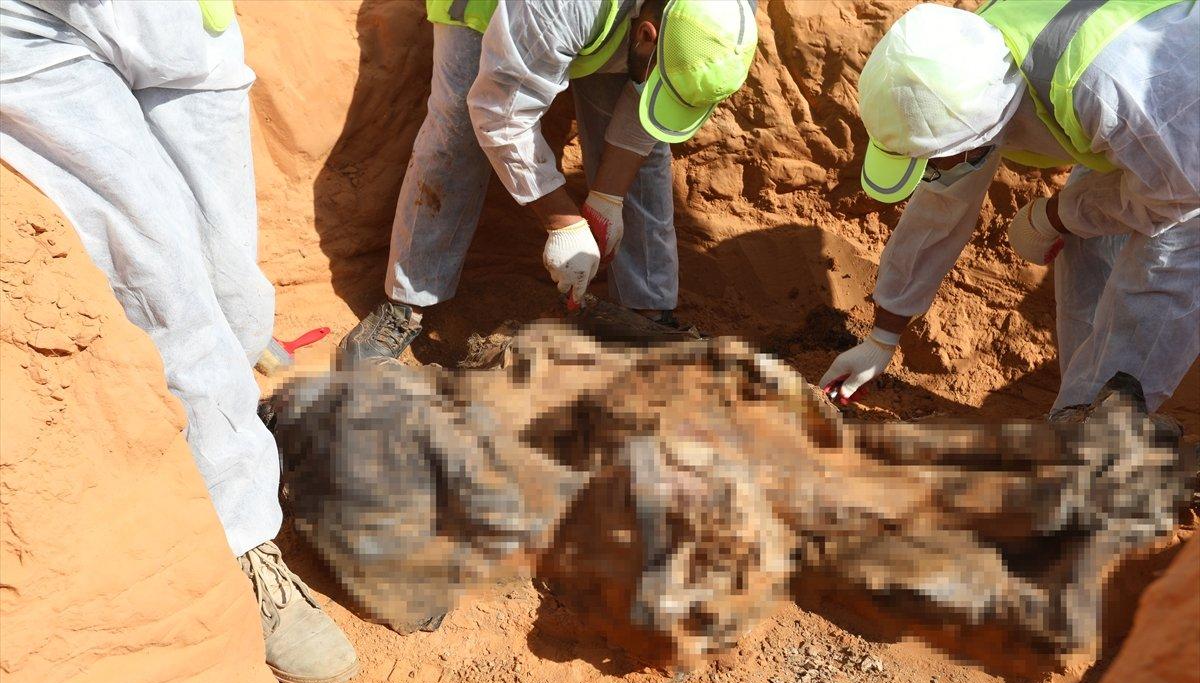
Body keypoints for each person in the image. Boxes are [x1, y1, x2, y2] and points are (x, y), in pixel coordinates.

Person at [0, 0, 358, 683]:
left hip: (171, 16)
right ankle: (249, 538)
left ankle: (242, 352)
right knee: (163, 272)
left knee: (232, 274)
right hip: (31, 25)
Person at [819, 1, 1199, 416]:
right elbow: (941, 204)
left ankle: (1096, 438)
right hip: (1162, 134)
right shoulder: (960, 66)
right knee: (1085, 244)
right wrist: (881, 339)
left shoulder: (1105, 93)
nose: (929, 175)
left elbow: (1182, 197)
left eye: (931, 165)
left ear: (976, 139)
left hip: (1178, 126)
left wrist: (1057, 214)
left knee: (1162, 265)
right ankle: (1076, 414)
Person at [338, 0, 758, 366]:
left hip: (614, 19)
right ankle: (405, 305)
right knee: (458, 132)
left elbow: (645, 106)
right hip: (495, 9)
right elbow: (500, 111)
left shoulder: (724, 16)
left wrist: (607, 199)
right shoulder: (563, 5)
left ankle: (647, 316)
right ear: (646, 34)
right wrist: (564, 224)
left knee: (648, 142)